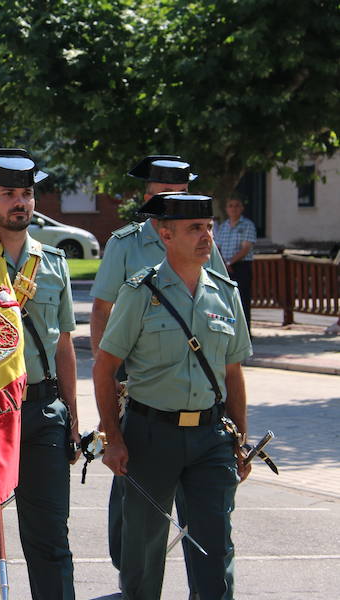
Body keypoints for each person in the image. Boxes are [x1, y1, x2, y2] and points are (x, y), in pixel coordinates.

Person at [94, 192, 253, 600]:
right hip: (151, 434)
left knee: (214, 550)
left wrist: (241, 440)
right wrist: (113, 437)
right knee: (144, 551)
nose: (206, 237)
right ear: (166, 234)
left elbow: (233, 372)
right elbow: (105, 367)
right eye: (194, 229)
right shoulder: (139, 292)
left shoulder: (225, 291)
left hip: (210, 438)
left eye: (209, 228)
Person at [0, 149, 80, 600]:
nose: (20, 202)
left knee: (49, 538)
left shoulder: (53, 263)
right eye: (8, 194)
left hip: (41, 410)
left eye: (26, 194)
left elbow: (64, 345)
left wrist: (74, 418)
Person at [214, 198, 256, 333]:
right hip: (225, 268)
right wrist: (223, 264)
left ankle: (244, 333)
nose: (233, 208)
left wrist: (230, 262)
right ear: (226, 209)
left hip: (241, 266)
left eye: (237, 205)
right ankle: (229, 332)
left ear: (242, 208)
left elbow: (246, 248)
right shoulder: (223, 226)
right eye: (230, 206)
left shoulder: (247, 225)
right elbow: (217, 248)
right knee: (225, 302)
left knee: (242, 301)